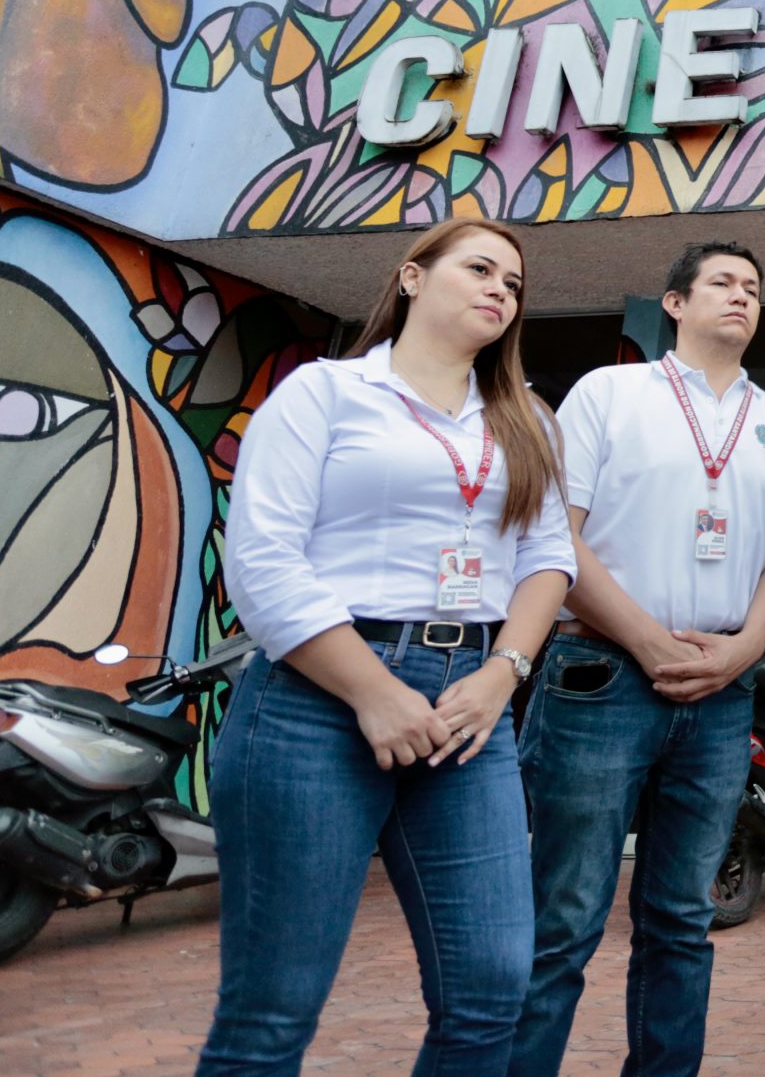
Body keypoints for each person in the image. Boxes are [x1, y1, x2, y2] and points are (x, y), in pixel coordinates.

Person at [202, 220, 575, 1075]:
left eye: (514, 283)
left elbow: (549, 558)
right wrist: (374, 690)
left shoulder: (527, 421)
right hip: (318, 698)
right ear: (411, 277)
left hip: (469, 703)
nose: (501, 289)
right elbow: (261, 561)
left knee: (492, 990)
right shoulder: (324, 392)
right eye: (480, 268)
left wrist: (504, 674)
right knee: (273, 1010)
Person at [511, 242, 765, 1076]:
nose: (741, 296)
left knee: (682, 917)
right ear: (674, 303)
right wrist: (645, 638)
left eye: (754, 288)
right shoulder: (609, 394)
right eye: (722, 282)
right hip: (602, 674)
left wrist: (743, 651)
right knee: (562, 918)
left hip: (719, 693)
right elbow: (557, 536)